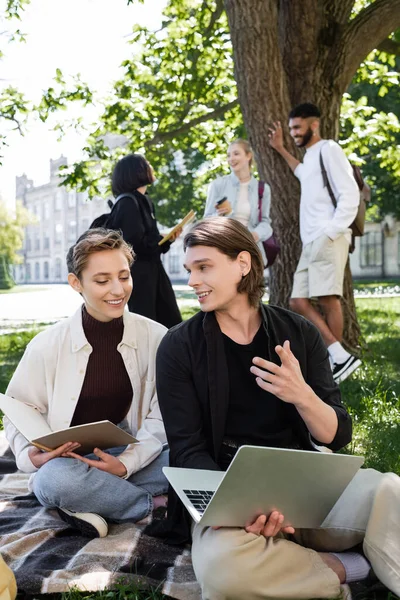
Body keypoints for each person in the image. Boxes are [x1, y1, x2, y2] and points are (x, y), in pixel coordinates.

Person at [154, 217, 400, 599]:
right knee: (224, 570)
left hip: (306, 485)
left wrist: (302, 395)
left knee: (390, 490)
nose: (192, 281)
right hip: (226, 495)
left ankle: (295, 560)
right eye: (189, 270)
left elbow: (336, 436)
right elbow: (187, 449)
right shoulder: (178, 348)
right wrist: (238, 507)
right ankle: (341, 567)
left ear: (243, 264)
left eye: (203, 267)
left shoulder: (299, 332)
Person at [4, 229, 169, 538]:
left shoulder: (157, 337)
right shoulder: (46, 345)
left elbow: (162, 414)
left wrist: (124, 464)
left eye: (124, 276)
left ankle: (91, 501)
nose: (117, 290)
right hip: (68, 463)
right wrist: (31, 455)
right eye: (103, 280)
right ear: (76, 283)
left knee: (191, 457)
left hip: (131, 452)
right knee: (53, 481)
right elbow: (18, 408)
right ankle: (153, 508)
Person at [268, 103, 361, 383]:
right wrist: (281, 148)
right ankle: (340, 357)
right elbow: (301, 172)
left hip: (328, 235)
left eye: (298, 127)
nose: (294, 132)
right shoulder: (309, 159)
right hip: (312, 241)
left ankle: (337, 361)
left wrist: (333, 230)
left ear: (314, 125)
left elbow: (350, 192)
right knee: (298, 300)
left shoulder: (329, 149)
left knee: (328, 297)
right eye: (292, 128)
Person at [106, 153, 182, 328]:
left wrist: (166, 240)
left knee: (170, 321)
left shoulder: (144, 200)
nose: (150, 166)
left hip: (154, 271)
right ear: (136, 172)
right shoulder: (127, 202)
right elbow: (134, 246)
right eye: (146, 164)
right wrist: (159, 239)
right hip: (140, 276)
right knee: (148, 324)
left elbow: (151, 245)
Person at [203, 139, 273, 266]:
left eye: (236, 154)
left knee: (251, 286)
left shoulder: (262, 189)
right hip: (224, 251)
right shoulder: (217, 185)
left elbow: (266, 222)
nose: (231, 159)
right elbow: (206, 221)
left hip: (251, 253)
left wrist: (255, 235)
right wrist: (217, 217)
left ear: (248, 156)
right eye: (228, 155)